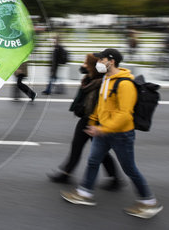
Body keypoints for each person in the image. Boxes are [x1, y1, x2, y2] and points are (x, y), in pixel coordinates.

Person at [61, 48, 163, 219]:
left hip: (121, 134)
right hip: (103, 131)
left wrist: (102, 128)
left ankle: (149, 202)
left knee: (130, 169)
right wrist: (93, 123)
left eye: (101, 60)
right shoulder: (106, 79)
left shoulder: (124, 84)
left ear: (111, 61)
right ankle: (85, 193)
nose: (99, 63)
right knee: (93, 161)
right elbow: (101, 106)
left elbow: (124, 114)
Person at [47, 54, 122, 190]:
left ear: (92, 66)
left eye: (85, 63)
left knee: (100, 151)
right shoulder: (89, 79)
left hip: (95, 120)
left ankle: (114, 179)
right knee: (78, 146)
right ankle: (67, 173)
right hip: (86, 118)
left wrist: (97, 124)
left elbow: (100, 104)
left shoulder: (101, 82)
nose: (83, 65)